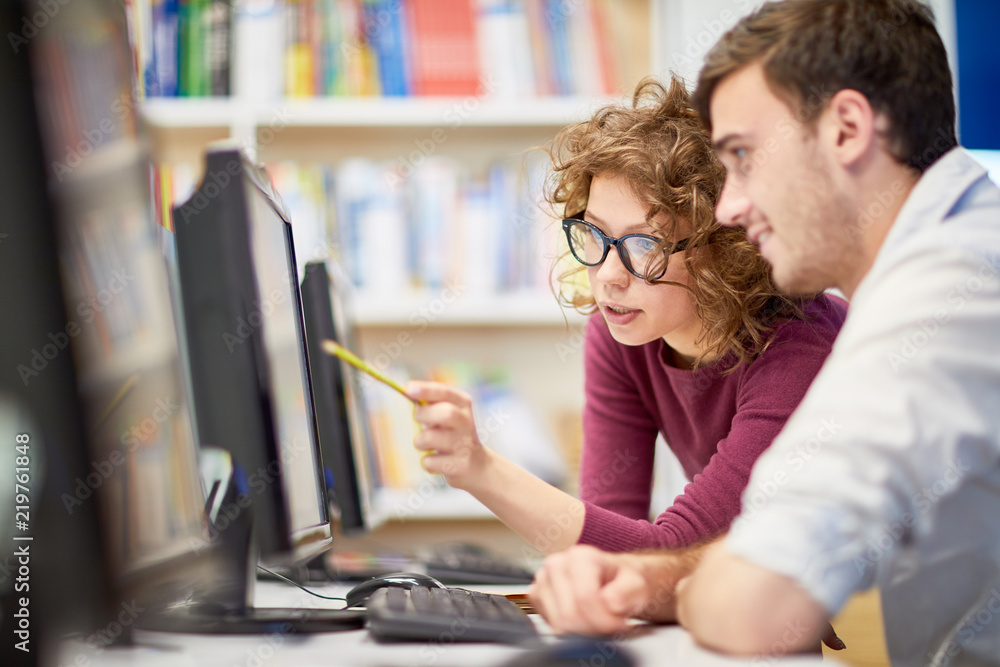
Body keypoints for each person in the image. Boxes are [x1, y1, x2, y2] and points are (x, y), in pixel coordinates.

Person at [529, 1, 1000, 664]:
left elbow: (759, 604)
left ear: (846, 130)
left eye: (744, 157)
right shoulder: (957, 255)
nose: (728, 207)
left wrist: (696, 582)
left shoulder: (943, 295)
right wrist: (661, 575)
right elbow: (774, 545)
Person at [405, 75, 846, 556]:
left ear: (725, 250)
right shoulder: (622, 329)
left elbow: (667, 551)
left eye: (643, 243)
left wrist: (482, 470)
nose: (609, 276)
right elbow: (611, 542)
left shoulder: (798, 349)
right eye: (595, 235)